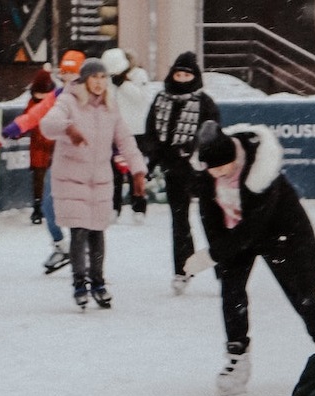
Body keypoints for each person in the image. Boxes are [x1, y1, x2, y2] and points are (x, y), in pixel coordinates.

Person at [187, 120, 315, 396]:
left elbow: (255, 225)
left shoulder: (260, 170)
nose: (218, 174)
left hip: (277, 232)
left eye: (223, 167)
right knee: (231, 293)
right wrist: (218, 252)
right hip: (233, 236)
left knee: (299, 291)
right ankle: (237, 357)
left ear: (235, 156)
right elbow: (209, 216)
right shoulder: (207, 173)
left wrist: (211, 255)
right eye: (212, 169)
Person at [40, 58, 147, 310]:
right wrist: (68, 129)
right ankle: (79, 285)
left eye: (103, 78)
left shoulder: (111, 107)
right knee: (79, 231)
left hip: (99, 180)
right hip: (71, 178)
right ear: (85, 80)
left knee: (98, 231)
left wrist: (138, 171)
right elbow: (47, 124)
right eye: (94, 78)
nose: (99, 83)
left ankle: (98, 283)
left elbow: (126, 141)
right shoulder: (68, 101)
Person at [0, 49, 87, 274]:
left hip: (87, 162)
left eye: (72, 73)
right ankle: (61, 245)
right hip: (61, 160)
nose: (67, 78)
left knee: (82, 210)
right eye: (64, 73)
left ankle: (85, 253)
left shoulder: (95, 98)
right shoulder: (57, 96)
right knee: (47, 203)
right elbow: (33, 116)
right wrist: (7, 132)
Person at [144, 51, 219, 294]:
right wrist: (152, 161)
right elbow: (152, 133)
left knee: (212, 221)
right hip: (174, 170)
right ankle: (182, 269)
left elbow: (213, 134)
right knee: (179, 221)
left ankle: (224, 268)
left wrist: (194, 149)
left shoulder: (204, 103)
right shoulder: (161, 99)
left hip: (201, 170)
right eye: (179, 73)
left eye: (187, 74)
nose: (182, 78)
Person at [100, 47, 152, 223]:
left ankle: (139, 206)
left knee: (135, 171)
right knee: (113, 172)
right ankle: (114, 207)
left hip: (135, 130)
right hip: (113, 131)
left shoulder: (139, 75)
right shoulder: (107, 80)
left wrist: (124, 83)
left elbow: (141, 99)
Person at [23, 68, 56, 225]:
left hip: (53, 146)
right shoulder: (31, 105)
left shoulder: (55, 103)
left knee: (53, 178)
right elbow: (26, 122)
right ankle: (38, 207)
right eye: (37, 94)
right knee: (38, 178)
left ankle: (50, 206)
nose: (40, 97)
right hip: (38, 146)